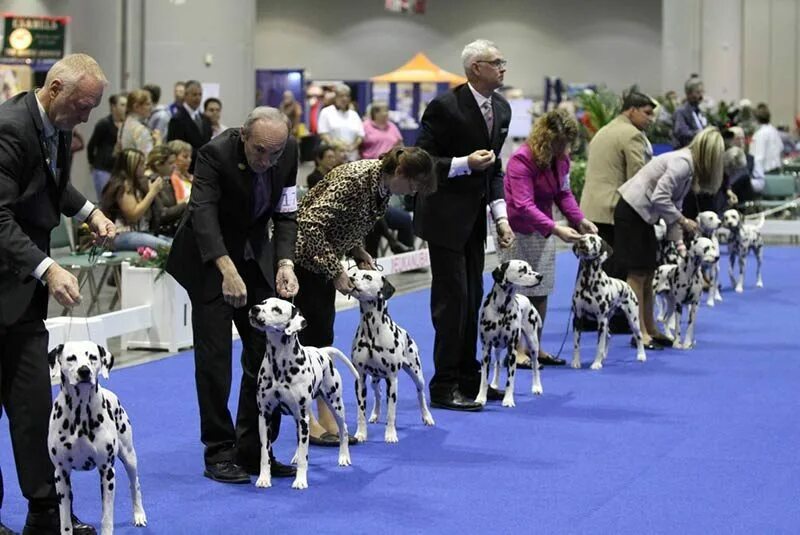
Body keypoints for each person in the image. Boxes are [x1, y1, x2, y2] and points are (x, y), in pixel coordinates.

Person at [0, 52, 116, 535]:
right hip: (15, 276)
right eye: (83, 106)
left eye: (91, 107)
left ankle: (46, 514)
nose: (87, 117)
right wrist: (49, 269)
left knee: (32, 406)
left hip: (21, 296)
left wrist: (91, 211)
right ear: (54, 91)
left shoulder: (59, 122)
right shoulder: (8, 129)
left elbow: (53, 185)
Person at [165, 107, 299, 484]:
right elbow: (202, 213)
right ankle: (219, 451)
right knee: (215, 360)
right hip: (209, 261)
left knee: (265, 354)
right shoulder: (214, 153)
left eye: (274, 154)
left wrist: (285, 263)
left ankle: (255, 448)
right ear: (243, 136)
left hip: (254, 255)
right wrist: (226, 270)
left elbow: (287, 213)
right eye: (259, 151)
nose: (266, 160)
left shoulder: (286, 152)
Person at [293, 147, 436, 444]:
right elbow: (309, 225)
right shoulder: (356, 179)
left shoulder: (381, 188)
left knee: (322, 338)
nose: (414, 192)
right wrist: (336, 270)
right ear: (399, 173)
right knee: (305, 341)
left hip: (322, 261)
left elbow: (347, 223)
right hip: (301, 261)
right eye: (413, 185)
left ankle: (325, 414)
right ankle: (305, 418)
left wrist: (357, 249)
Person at [414, 39, 514, 411]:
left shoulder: (501, 109)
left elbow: (495, 169)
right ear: (475, 68)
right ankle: (443, 385)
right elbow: (420, 160)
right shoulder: (444, 107)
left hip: (475, 221)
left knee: (472, 299)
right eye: (496, 62)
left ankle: (471, 379)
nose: (503, 67)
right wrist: (461, 163)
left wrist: (501, 218)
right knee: (451, 303)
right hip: (442, 218)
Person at [500, 109, 598, 368]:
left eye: (568, 143)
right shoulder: (522, 160)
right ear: (547, 137)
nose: (565, 148)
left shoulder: (561, 160)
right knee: (518, 291)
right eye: (561, 143)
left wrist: (579, 219)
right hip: (518, 229)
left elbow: (563, 194)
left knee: (541, 290)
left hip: (544, 228)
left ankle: (535, 347)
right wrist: (556, 228)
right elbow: (522, 204)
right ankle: (516, 350)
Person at [614, 127, 724, 349]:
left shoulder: (689, 168)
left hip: (646, 216)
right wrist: (684, 221)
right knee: (637, 274)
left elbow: (673, 207)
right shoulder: (682, 163)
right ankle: (639, 333)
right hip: (632, 211)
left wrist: (680, 245)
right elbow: (660, 197)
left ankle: (651, 328)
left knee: (649, 272)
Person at [580, 88, 656, 332]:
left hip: (592, 207)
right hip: (613, 208)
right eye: (646, 113)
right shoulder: (632, 135)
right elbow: (639, 176)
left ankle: (587, 317)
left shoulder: (605, 130)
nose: (650, 119)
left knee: (593, 267)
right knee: (617, 267)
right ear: (631, 110)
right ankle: (619, 318)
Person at [100, 148, 172, 251]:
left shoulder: (137, 184)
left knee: (176, 244)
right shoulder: (123, 185)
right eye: (141, 164)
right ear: (132, 166)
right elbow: (133, 216)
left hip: (141, 232)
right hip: (122, 234)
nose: (144, 167)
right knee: (168, 248)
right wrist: (152, 192)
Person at [167, 80, 212, 173]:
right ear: (186, 95)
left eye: (200, 95)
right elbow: (174, 147)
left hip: (204, 168)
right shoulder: (177, 119)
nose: (198, 98)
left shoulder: (205, 119)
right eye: (194, 95)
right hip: (186, 168)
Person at [87, 93, 127, 199]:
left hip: (118, 170)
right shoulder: (104, 124)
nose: (125, 108)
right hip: (103, 168)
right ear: (113, 107)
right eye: (122, 105)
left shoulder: (127, 125)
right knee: (105, 200)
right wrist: (92, 162)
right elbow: (91, 145)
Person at [145, 144, 185, 237]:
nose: (174, 166)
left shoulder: (167, 180)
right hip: (157, 233)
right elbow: (162, 214)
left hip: (170, 230)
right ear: (158, 165)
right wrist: (186, 205)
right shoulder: (151, 181)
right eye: (170, 163)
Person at [317, 84, 364, 161]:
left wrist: (352, 147)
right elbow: (323, 134)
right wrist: (338, 147)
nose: (344, 98)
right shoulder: (326, 112)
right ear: (335, 97)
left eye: (347, 96)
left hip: (351, 156)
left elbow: (360, 135)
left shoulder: (354, 114)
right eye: (341, 96)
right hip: (332, 156)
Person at [119, 88, 160, 158]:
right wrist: (158, 143)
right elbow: (148, 158)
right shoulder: (140, 130)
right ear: (136, 107)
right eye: (147, 104)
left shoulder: (124, 124)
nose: (151, 107)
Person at [673, 75, 707, 148]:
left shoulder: (700, 111)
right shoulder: (681, 111)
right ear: (689, 93)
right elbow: (681, 132)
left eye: (702, 92)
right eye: (698, 92)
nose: (701, 96)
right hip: (684, 150)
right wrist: (701, 133)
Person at [751, 103, 784, 175]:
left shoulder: (760, 134)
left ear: (756, 119)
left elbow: (758, 158)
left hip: (765, 172)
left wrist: (757, 177)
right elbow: (781, 148)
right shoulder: (774, 130)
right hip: (776, 170)